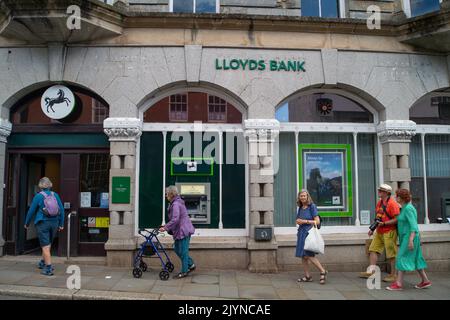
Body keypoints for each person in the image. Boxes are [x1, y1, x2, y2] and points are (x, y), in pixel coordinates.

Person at [386, 189, 431, 291]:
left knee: (401, 257)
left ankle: (398, 283)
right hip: (410, 237)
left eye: (397, 196)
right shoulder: (405, 208)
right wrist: (418, 238)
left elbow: (413, 225)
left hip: (409, 237)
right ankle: (425, 281)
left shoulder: (408, 209)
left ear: (401, 198)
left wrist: (411, 240)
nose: (395, 198)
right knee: (416, 258)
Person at [24, 177, 64, 276]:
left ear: (40, 185)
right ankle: (43, 262)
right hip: (54, 223)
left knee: (45, 246)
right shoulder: (55, 195)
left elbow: (31, 211)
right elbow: (62, 210)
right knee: (48, 244)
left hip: (43, 223)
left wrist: (27, 223)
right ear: (50, 184)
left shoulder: (38, 196)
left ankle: (48, 268)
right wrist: (61, 224)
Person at [360, 184, 400, 283]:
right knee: (373, 249)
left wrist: (385, 223)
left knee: (391, 254)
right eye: (379, 190)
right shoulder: (379, 203)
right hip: (379, 231)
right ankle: (371, 271)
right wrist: (372, 229)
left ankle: (394, 275)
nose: (379, 192)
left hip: (389, 232)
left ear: (387, 193)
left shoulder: (392, 204)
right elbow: (378, 217)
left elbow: (397, 219)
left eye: (381, 191)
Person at [159, 185, 196, 279]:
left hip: (183, 231)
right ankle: (191, 264)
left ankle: (184, 271)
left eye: (167, 194)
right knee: (177, 249)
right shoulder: (175, 202)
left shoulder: (175, 204)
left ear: (171, 194)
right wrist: (166, 226)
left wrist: (166, 227)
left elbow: (175, 219)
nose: (166, 195)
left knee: (183, 252)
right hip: (179, 231)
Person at [295, 189, 328, 284]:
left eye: (304, 195)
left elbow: (317, 221)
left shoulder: (312, 207)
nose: (302, 197)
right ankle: (307, 276)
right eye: (301, 196)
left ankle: (323, 271)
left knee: (308, 255)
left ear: (307, 196)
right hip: (301, 233)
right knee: (303, 256)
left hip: (309, 233)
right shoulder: (300, 208)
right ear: (299, 198)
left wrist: (304, 221)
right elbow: (298, 219)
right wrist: (298, 221)